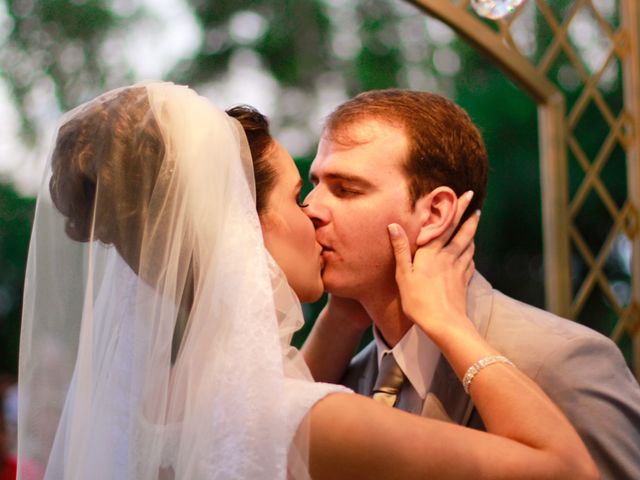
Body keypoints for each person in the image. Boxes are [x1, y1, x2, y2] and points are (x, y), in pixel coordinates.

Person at [17, 82, 597, 479]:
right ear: (246, 229)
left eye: (341, 190)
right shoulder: (312, 416)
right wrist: (448, 322)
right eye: (301, 193)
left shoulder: (151, 403)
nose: (316, 211)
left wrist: (345, 314)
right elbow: (568, 470)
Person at [302, 88, 640, 479]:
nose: (312, 208)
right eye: (315, 184)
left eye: (346, 189)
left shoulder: (560, 361)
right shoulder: (345, 376)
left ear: (434, 213)